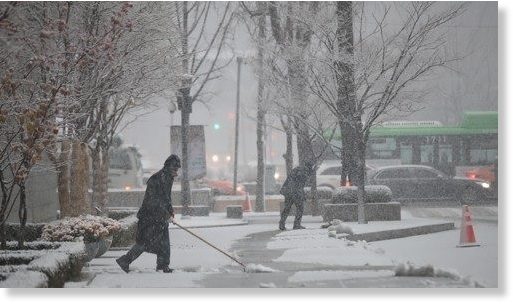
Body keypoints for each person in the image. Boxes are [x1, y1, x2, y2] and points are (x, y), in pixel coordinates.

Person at [116, 154, 181, 273]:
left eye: (177, 169)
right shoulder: (156, 179)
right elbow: (153, 200)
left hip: (160, 217)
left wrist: (170, 211)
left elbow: (166, 198)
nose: (176, 172)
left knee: (164, 243)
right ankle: (125, 260)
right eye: (174, 169)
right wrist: (165, 213)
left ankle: (163, 265)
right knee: (145, 243)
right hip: (149, 216)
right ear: (168, 167)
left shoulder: (168, 178)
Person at [279, 162, 315, 230]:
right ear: (310, 167)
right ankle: (297, 225)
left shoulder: (297, 169)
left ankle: (281, 224)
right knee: (300, 208)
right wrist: (302, 195)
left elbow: (292, 180)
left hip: (288, 191)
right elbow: (300, 184)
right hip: (295, 192)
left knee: (287, 208)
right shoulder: (304, 171)